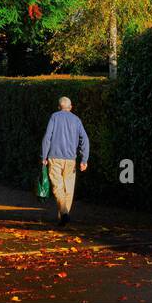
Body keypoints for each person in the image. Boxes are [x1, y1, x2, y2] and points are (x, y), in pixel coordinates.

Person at [40, 95, 89, 226]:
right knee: (69, 189)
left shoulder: (54, 117)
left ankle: (64, 213)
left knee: (57, 187)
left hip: (54, 158)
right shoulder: (77, 120)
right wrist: (84, 159)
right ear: (70, 107)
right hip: (71, 160)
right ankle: (63, 216)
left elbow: (47, 138)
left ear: (58, 107)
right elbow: (85, 139)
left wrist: (44, 156)